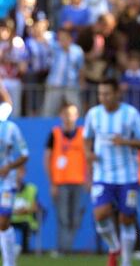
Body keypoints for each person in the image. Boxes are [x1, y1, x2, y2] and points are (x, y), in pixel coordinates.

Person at [83, 78, 140, 266]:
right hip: (102, 175)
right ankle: (114, 247)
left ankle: (127, 261)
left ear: (117, 93)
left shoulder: (130, 114)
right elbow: (86, 139)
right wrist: (88, 154)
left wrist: (126, 141)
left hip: (128, 176)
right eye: (100, 94)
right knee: (100, 214)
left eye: (107, 93)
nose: (103, 97)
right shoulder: (93, 114)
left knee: (127, 218)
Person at [44, 103, 87, 255]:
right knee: (62, 218)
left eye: (72, 114)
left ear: (77, 116)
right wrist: (52, 183)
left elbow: (89, 157)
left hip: (79, 182)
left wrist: (89, 179)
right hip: (60, 182)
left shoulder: (83, 133)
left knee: (75, 218)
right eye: (66, 114)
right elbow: (47, 158)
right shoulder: (54, 134)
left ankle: (67, 248)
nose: (68, 117)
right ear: (61, 116)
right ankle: (63, 250)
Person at [0, 89, 29, 266]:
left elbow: (25, 154)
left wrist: (9, 167)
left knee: (2, 221)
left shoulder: (11, 128)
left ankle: (9, 262)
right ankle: (11, 251)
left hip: (6, 182)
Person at [43, 27, 84, 117]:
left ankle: (79, 128)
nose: (62, 41)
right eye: (60, 38)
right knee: (49, 112)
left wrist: (81, 83)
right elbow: (44, 40)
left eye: (64, 38)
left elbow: (81, 69)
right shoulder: (54, 48)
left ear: (70, 38)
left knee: (76, 110)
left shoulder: (77, 51)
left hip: (71, 86)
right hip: (54, 85)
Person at [11, 167, 39, 254]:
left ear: (24, 173)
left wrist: (23, 211)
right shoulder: (6, 189)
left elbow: (34, 207)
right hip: (9, 218)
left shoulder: (31, 189)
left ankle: (25, 251)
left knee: (26, 226)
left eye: (21, 172)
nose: (18, 175)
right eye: (16, 172)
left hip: (25, 219)